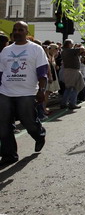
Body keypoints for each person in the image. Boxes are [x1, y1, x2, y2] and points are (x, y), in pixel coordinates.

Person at [0, 21, 47, 167]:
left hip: (26, 92)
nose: (17, 32)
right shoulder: (6, 51)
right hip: (5, 91)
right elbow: (1, 72)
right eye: (15, 30)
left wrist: (41, 90)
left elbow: (42, 71)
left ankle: (39, 135)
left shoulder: (36, 49)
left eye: (21, 30)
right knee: (3, 124)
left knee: (28, 122)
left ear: (27, 33)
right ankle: (9, 155)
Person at [60, 39, 85, 109]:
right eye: (72, 43)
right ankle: (72, 103)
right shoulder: (70, 51)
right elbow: (82, 49)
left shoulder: (64, 51)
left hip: (68, 70)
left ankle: (64, 103)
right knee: (76, 87)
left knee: (68, 88)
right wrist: (81, 46)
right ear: (69, 44)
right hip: (73, 71)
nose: (73, 44)